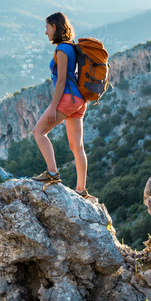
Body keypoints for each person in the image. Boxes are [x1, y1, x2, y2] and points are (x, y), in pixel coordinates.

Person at [31, 12, 90, 197]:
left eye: (47, 28)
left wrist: (53, 107)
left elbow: (62, 80)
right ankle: (81, 190)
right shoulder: (71, 46)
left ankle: (52, 173)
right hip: (79, 99)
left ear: (55, 27)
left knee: (38, 132)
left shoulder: (62, 49)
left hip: (67, 98)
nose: (46, 32)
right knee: (77, 146)